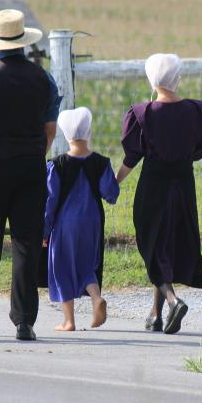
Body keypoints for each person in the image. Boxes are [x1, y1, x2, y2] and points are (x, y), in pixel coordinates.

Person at [0, 9, 61, 341]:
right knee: (27, 243)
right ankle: (24, 320)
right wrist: (34, 154)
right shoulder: (43, 78)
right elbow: (49, 128)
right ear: (23, 42)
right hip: (31, 167)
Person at [116, 53, 202, 335]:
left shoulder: (142, 114)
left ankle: (172, 300)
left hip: (153, 185)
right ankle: (155, 314)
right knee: (166, 244)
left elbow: (132, 156)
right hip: (183, 184)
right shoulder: (195, 111)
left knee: (151, 244)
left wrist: (114, 181)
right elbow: (201, 148)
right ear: (178, 77)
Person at [43, 107, 120, 331]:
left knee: (63, 266)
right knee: (87, 264)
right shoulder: (101, 163)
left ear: (64, 135)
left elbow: (50, 201)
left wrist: (44, 231)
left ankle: (69, 321)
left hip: (65, 223)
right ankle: (96, 298)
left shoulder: (56, 165)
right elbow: (111, 194)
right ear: (89, 132)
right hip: (92, 221)